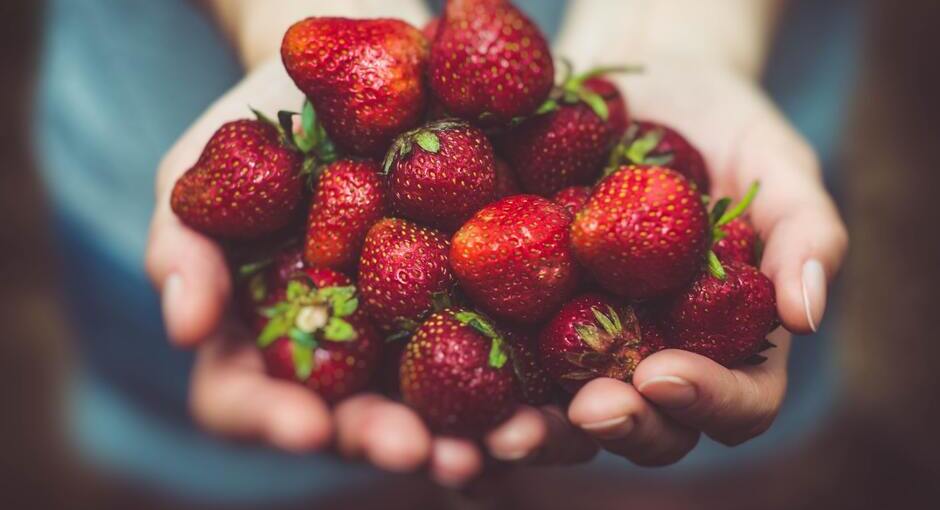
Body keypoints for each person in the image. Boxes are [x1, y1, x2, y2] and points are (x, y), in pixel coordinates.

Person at [35, 0, 853, 505]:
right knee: (267, 485)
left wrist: (686, 25)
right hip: (165, 76)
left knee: (662, 477)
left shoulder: (567, 208)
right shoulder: (405, 200)